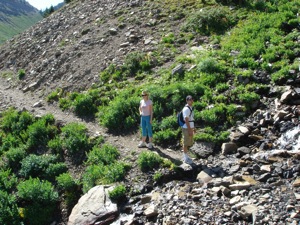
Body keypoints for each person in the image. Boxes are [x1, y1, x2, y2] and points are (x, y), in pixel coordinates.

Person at [181, 95, 195, 164]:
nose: (191, 100)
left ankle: (186, 156)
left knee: (188, 141)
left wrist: (193, 128)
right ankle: (185, 158)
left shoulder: (191, 108)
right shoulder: (186, 109)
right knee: (186, 142)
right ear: (187, 101)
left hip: (190, 127)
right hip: (186, 128)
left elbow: (191, 118)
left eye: (192, 99)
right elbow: (186, 119)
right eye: (189, 99)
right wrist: (189, 129)